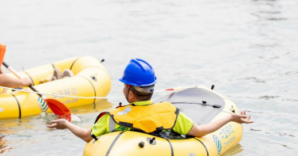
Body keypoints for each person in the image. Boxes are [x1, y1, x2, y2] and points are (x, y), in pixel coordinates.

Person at [47, 58, 254, 141]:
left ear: (129, 92)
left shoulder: (112, 117)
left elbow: (87, 136)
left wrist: (66, 124)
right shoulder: (168, 112)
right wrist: (230, 118)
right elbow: (201, 131)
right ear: (152, 90)